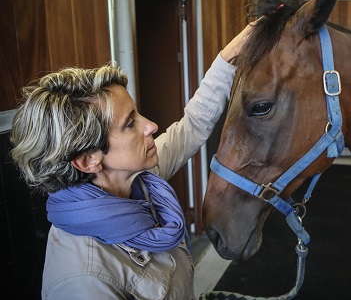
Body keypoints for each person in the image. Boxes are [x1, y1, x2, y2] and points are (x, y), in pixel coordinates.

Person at [9, 23, 254, 300]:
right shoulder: (84, 282)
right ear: (89, 160)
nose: (151, 125)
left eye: (137, 114)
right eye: (130, 124)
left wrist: (227, 60)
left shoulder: (137, 181)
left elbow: (192, 126)